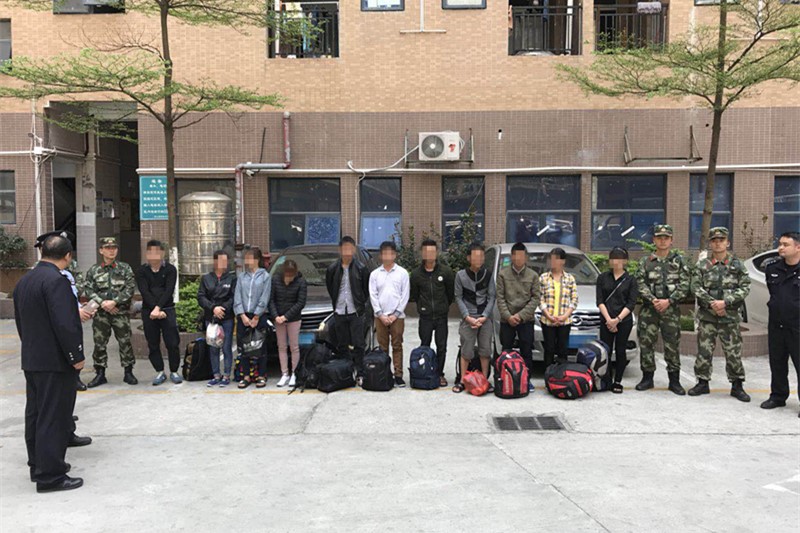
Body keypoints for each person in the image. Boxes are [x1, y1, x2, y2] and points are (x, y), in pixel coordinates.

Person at [14, 233, 87, 492]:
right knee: (53, 417)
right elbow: (65, 324)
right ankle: (51, 476)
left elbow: (20, 321)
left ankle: (38, 465)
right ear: (68, 256)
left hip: (33, 358)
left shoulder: (26, 280)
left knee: (36, 415)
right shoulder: (57, 281)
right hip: (55, 362)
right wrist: (76, 357)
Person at [35, 231, 93, 447]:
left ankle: (67, 430)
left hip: (49, 351)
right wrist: (75, 355)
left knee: (65, 396)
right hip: (55, 352)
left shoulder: (63, 276)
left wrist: (79, 310)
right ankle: (52, 453)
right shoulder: (50, 278)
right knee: (53, 401)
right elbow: (60, 318)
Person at [687, 227, 751, 401]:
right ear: (710, 243)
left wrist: (725, 302)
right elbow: (695, 287)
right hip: (708, 317)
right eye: (714, 240)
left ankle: (737, 385)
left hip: (729, 317)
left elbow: (745, 287)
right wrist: (712, 303)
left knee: (733, 352)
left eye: (721, 240)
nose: (717, 243)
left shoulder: (737, 265)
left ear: (727, 243)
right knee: (704, 351)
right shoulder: (702, 265)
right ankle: (702, 383)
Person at [634, 224, 691, 395]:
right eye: (659, 237)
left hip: (671, 311)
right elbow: (639, 283)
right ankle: (647, 378)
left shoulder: (679, 261)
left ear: (671, 240)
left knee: (672, 345)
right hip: (649, 310)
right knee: (646, 344)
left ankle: (674, 381)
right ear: (654, 240)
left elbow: (685, 284)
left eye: (666, 238)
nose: (663, 241)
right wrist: (653, 300)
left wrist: (669, 301)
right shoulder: (646, 262)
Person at [83, 237, 137, 388]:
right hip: (101, 314)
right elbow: (89, 290)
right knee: (99, 343)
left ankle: (128, 372)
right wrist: (103, 303)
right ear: (101, 250)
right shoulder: (94, 270)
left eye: (114, 248)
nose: (111, 251)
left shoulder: (125, 268)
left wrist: (115, 302)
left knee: (125, 342)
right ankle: (100, 374)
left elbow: (130, 288)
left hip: (120, 312)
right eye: (108, 248)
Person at [760, 231, 800, 417]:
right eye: (780, 244)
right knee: (777, 362)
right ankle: (778, 396)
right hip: (777, 324)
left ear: (798, 247)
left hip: (797, 326)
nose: (780, 248)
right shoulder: (773, 268)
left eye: (785, 244)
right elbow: (774, 293)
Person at [135, 240, 182, 386]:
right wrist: (154, 309)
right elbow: (144, 291)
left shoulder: (170, 269)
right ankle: (160, 371)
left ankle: (174, 371)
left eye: (157, 252)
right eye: (150, 252)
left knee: (172, 343)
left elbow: (169, 290)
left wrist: (159, 308)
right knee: (153, 343)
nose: (153, 255)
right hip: (149, 312)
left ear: (162, 253)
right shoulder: (142, 271)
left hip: (167, 310)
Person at [409, 239, 455, 388]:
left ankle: (439, 373)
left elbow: (450, 294)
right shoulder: (416, 274)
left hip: (441, 316)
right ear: (422, 253)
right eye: (426, 251)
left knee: (442, 346)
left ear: (437, 253)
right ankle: (425, 372)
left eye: (432, 251)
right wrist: (423, 307)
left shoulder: (446, 272)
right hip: (425, 317)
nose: (429, 254)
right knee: (425, 345)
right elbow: (415, 295)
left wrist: (443, 306)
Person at [496, 242, 540, 393]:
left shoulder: (533, 276)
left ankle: (526, 380)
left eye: (522, 256)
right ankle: (504, 378)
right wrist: (508, 316)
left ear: (526, 258)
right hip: (507, 320)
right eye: (516, 255)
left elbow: (535, 299)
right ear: (512, 257)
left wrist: (520, 316)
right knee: (506, 350)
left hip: (526, 320)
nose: (519, 259)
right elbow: (500, 298)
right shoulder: (503, 274)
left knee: (526, 351)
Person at [452, 243, 496, 394]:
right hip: (468, 318)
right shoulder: (460, 275)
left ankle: (485, 381)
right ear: (468, 258)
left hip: (485, 318)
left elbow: (492, 297)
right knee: (466, 351)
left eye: (481, 256)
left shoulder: (488, 275)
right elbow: (458, 297)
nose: (479, 259)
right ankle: (462, 381)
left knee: (485, 351)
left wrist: (484, 316)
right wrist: (467, 317)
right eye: (476, 256)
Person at [326, 236, 371, 376]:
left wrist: (361, 304)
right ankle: (346, 371)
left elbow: (365, 290)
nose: (347, 252)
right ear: (340, 250)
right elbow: (331, 288)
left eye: (349, 248)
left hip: (355, 311)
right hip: (339, 310)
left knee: (359, 344)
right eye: (344, 248)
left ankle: (360, 371)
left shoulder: (361, 268)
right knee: (342, 344)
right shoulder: (332, 268)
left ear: (354, 250)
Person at [596, 246, 639, 393]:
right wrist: (609, 319)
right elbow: (600, 301)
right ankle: (606, 379)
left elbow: (631, 303)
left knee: (621, 350)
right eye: (613, 258)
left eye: (620, 259)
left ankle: (618, 381)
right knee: (605, 351)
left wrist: (617, 320)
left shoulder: (631, 280)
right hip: (606, 320)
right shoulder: (602, 278)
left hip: (623, 321)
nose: (616, 262)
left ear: (625, 261)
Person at [369, 240, 410, 387]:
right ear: (381, 256)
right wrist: (380, 314)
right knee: (383, 347)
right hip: (380, 317)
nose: (388, 256)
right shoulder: (374, 274)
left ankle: (398, 375)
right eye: (385, 253)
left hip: (397, 317)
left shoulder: (402, 273)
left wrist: (395, 314)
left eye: (391, 253)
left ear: (395, 255)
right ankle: (384, 373)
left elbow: (405, 295)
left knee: (397, 345)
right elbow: (373, 295)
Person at [198, 250, 237, 387]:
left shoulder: (232, 278)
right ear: (215, 261)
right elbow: (201, 297)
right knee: (213, 347)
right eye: (221, 260)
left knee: (226, 347)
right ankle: (216, 375)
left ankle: (226, 375)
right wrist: (213, 308)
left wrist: (222, 309)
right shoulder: (206, 278)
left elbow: (233, 297)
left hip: (227, 318)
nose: (224, 263)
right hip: (211, 318)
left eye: (226, 261)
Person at [234, 246, 271, 389]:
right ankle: (246, 376)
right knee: (243, 347)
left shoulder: (265, 276)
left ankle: (261, 375)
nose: (247, 261)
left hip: (259, 315)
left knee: (260, 346)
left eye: (249, 258)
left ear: (256, 260)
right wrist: (242, 315)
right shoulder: (242, 277)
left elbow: (265, 297)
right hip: (244, 315)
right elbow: (237, 296)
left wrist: (256, 316)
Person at [269, 259, 307, 388]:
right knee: (281, 346)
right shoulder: (275, 279)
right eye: (287, 275)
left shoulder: (301, 281)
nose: (289, 277)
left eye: (291, 275)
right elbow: (271, 300)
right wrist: (276, 316)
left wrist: (286, 316)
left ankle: (294, 373)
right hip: (278, 318)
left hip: (293, 318)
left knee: (294, 346)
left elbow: (300, 303)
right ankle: (284, 373)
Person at [538, 247, 578, 367]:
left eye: (556, 259)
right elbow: (540, 298)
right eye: (551, 259)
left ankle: (562, 375)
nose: (553, 261)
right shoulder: (543, 278)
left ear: (563, 261)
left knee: (563, 350)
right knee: (549, 349)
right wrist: (549, 316)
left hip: (564, 321)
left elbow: (574, 299)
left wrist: (564, 316)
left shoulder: (570, 279)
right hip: (547, 320)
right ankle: (548, 374)